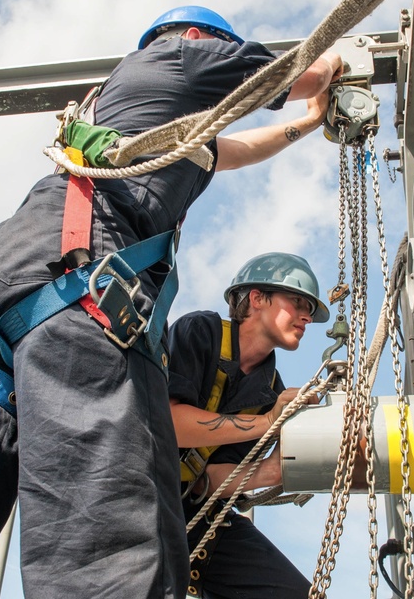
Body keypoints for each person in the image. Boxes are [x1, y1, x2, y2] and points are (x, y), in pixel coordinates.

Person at [0, 6, 343, 599]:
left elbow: (233, 148)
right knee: (107, 547)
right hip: (84, 291)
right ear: (198, 40)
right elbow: (294, 73)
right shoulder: (182, 55)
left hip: (7, 290)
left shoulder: (131, 117)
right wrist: (340, 67)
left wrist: (307, 125)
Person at [167, 252, 330, 599]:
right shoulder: (201, 333)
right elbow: (172, 424)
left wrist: (274, 470)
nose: (307, 317)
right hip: (142, 498)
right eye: (298, 301)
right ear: (256, 298)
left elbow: (207, 481)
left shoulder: (271, 390)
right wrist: (267, 422)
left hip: (199, 520)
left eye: (310, 311)